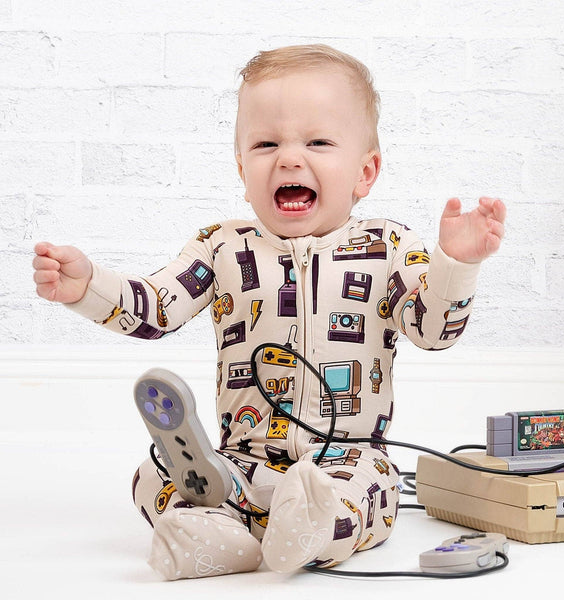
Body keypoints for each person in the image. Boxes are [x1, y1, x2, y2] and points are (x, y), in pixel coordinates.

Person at [32, 44, 506, 580]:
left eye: (318, 142)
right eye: (266, 144)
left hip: (346, 462)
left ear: (365, 172)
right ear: (242, 168)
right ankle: (220, 536)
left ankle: (307, 530)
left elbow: (434, 329)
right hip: (241, 463)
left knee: (368, 491)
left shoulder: (390, 247)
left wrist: (455, 264)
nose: (289, 158)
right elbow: (156, 308)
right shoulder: (220, 247)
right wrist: (88, 287)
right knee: (154, 473)